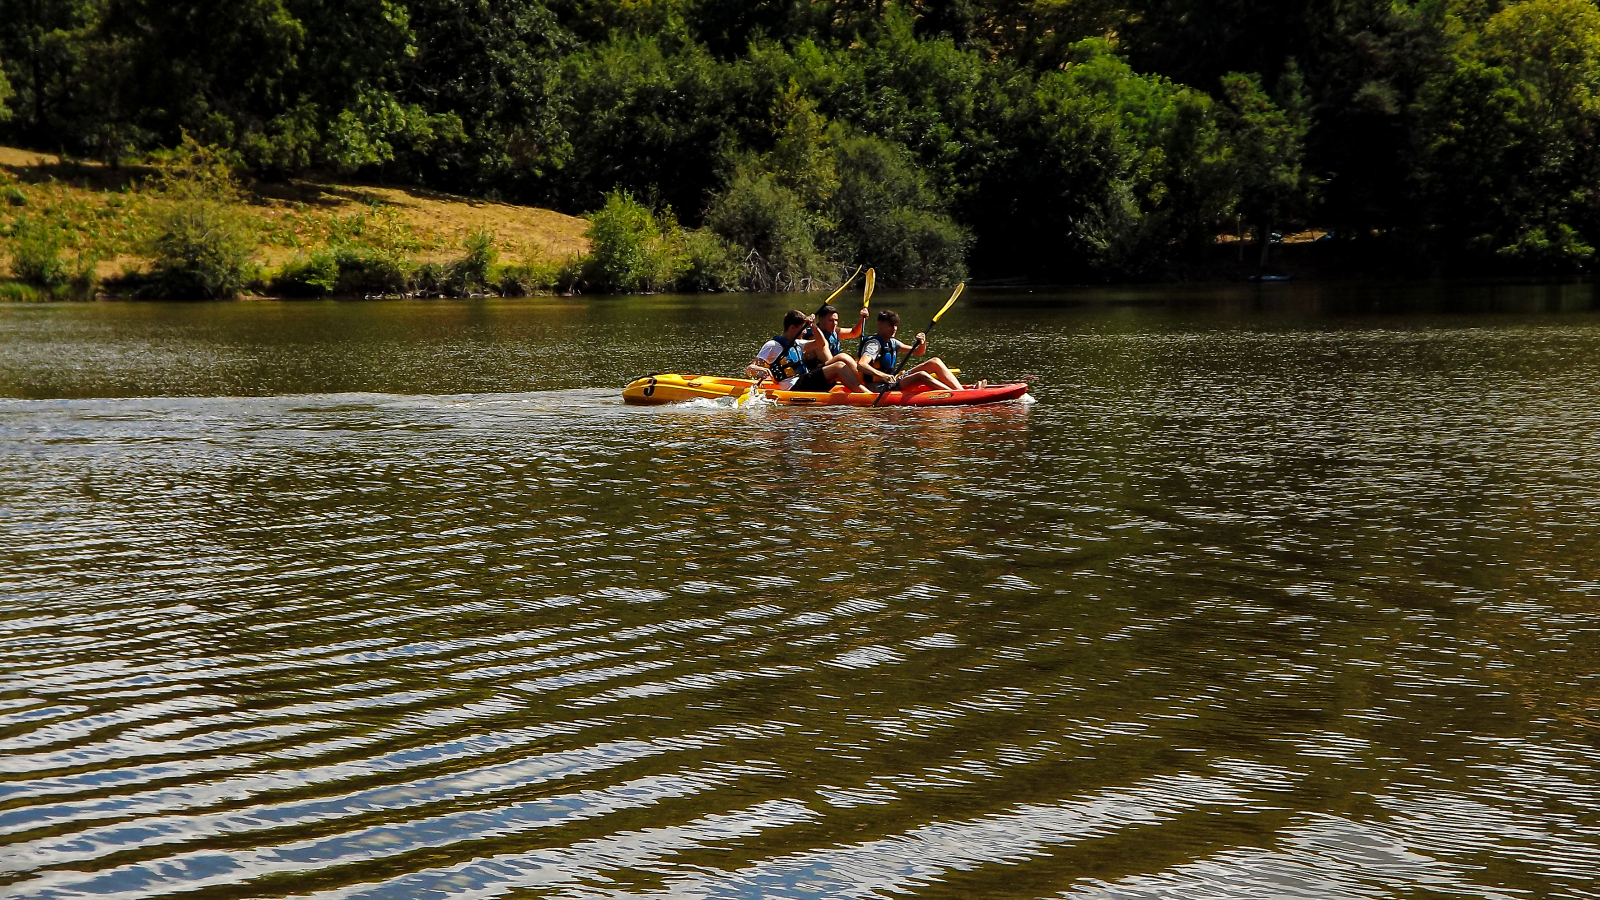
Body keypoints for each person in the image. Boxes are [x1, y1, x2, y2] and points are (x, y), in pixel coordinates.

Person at [747, 310, 872, 393]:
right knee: (839, 366)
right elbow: (750, 368)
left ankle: (864, 387)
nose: (805, 332)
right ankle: (868, 395)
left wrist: (813, 325)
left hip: (804, 380)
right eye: (802, 329)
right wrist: (760, 369)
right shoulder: (772, 345)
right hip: (792, 387)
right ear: (792, 328)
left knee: (841, 361)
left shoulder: (797, 343)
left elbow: (821, 343)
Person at [857, 309, 980, 392]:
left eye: (896, 326)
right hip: (879, 387)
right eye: (890, 325)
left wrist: (922, 342)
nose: (894, 329)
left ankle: (960, 391)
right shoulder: (874, 344)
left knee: (935, 362)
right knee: (921, 376)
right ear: (880, 324)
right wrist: (884, 376)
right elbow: (861, 365)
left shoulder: (892, 342)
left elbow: (918, 352)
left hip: (892, 380)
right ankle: (955, 395)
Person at [802, 303, 870, 381]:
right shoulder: (815, 339)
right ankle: (863, 379)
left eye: (836, 320)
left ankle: (863, 377)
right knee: (843, 357)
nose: (835, 324)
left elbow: (854, 332)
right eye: (831, 320)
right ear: (821, 320)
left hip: (831, 368)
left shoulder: (834, 332)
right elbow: (829, 361)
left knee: (846, 358)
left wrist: (862, 318)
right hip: (816, 376)